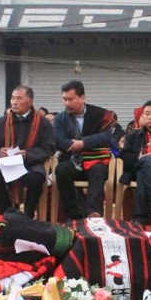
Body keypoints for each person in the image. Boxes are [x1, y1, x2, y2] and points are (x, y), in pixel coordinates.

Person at [0, 85, 55, 219]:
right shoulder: (1, 122)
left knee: (36, 178)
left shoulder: (42, 123)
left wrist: (28, 155)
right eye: (12, 98)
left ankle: (27, 215)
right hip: (8, 163)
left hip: (31, 163)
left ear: (30, 101)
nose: (14, 102)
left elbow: (49, 147)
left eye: (19, 98)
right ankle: (6, 213)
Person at [52, 80, 116, 221]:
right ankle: (73, 215)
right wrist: (71, 146)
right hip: (71, 160)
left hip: (95, 159)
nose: (67, 103)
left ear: (82, 98)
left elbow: (106, 138)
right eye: (64, 99)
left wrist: (82, 143)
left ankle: (92, 213)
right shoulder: (59, 119)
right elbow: (57, 139)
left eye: (71, 99)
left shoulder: (100, 114)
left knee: (99, 170)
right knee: (61, 170)